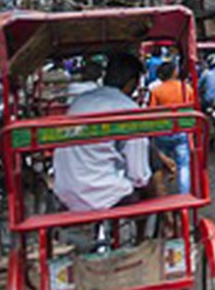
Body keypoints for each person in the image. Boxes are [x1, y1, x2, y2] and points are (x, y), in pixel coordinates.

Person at [53, 53, 153, 211]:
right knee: (149, 184)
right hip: (103, 197)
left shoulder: (81, 100)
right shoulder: (128, 109)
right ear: (132, 83)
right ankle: (149, 232)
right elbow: (139, 176)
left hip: (65, 191)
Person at [148, 60, 194, 195]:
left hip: (162, 132)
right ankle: (184, 197)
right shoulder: (187, 88)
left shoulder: (157, 90)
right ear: (175, 72)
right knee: (184, 166)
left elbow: (152, 111)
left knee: (160, 166)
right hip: (181, 130)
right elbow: (191, 108)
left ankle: (162, 198)